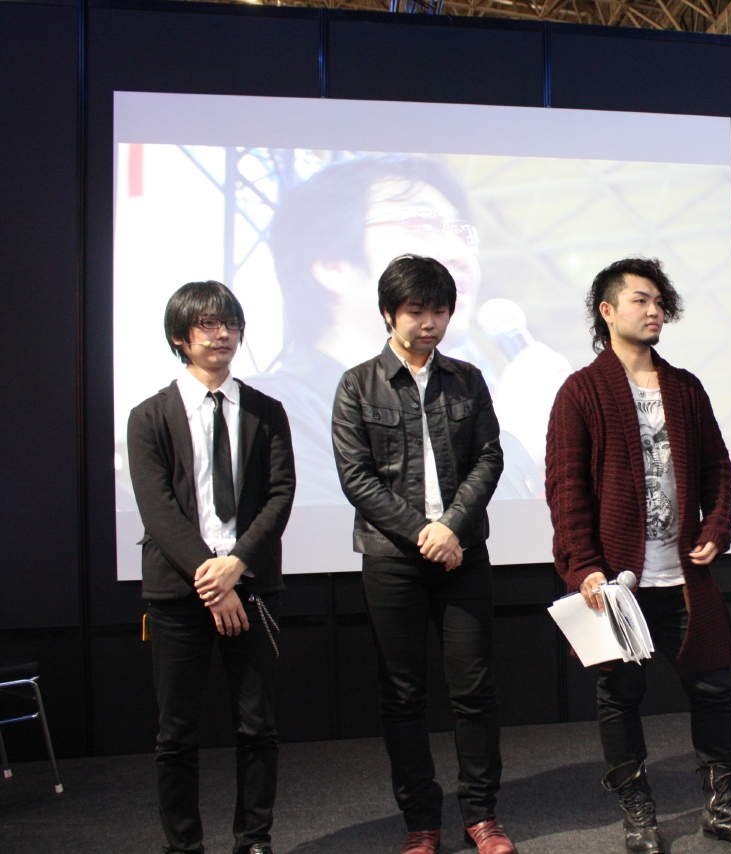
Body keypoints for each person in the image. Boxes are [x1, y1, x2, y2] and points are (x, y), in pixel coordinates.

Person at [545, 258, 731, 854]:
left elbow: (718, 470)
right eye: (641, 301)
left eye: (659, 302)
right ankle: (638, 812)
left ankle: (722, 808)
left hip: (683, 577)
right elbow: (566, 491)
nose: (654, 312)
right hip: (617, 585)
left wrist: (718, 525)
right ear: (607, 311)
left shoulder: (685, 387)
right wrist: (583, 567)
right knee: (619, 696)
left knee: (712, 686)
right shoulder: (580, 391)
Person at [330, 254, 513, 854]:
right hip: (392, 560)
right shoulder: (358, 384)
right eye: (416, 311)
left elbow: (490, 457)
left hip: (463, 554)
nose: (429, 323)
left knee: (475, 691)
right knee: (403, 695)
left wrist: (452, 527)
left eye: (439, 310)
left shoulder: (468, 379)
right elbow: (357, 477)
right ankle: (421, 821)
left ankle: (481, 815)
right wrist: (422, 533)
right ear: (388, 313)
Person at [259, 154, 554, 507]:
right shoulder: (267, 415)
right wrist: (512, 446)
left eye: (463, 234)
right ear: (333, 263)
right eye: (422, 224)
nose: (460, 253)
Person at [127, 281, 296, 854]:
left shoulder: (266, 411)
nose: (221, 334)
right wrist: (212, 577)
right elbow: (158, 509)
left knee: (258, 726)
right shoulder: (149, 416)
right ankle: (184, 846)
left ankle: (255, 840)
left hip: (253, 586)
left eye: (230, 324)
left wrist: (237, 566)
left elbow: (280, 495)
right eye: (207, 323)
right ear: (180, 336)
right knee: (176, 732)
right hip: (180, 592)